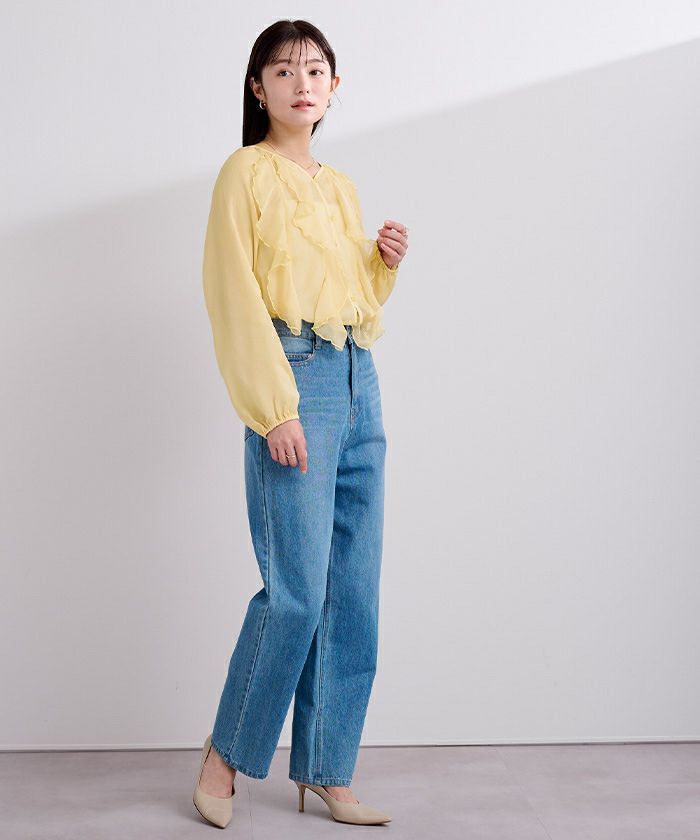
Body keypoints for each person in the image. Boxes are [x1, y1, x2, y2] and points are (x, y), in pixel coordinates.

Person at [193, 19, 408, 828]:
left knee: (352, 591)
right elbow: (234, 294)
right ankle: (225, 754)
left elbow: (348, 294)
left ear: (334, 86)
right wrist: (274, 406)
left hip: (358, 378)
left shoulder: (337, 184)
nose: (301, 83)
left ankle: (327, 767)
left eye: (315, 70)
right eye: (283, 71)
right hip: (295, 381)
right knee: (296, 595)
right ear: (259, 88)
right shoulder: (243, 173)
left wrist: (380, 264)